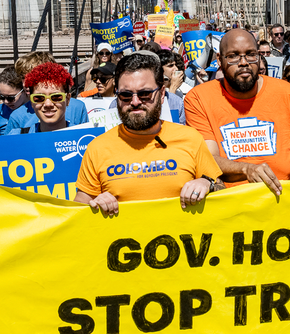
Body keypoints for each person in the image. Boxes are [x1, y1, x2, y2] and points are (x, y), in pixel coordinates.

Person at [74, 53, 224, 215]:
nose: (135, 101)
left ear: (161, 94)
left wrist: (207, 183)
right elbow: (78, 211)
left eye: (145, 94)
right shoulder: (97, 148)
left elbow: (222, 191)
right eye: (125, 95)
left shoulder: (190, 139)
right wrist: (94, 203)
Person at [184, 29, 290, 195]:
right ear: (220, 60)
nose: (243, 62)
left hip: (282, 205)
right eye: (233, 56)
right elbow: (208, 159)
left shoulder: (286, 92)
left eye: (250, 54)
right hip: (231, 207)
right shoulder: (198, 98)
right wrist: (246, 169)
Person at [8, 51, 89, 131]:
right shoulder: (17, 117)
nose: (26, 83)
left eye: (34, 77)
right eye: (23, 78)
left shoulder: (78, 107)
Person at [15, 63, 77, 134]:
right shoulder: (15, 138)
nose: (48, 104)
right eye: (39, 98)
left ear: (68, 99)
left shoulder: (83, 136)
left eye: (56, 97)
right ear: (31, 102)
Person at [0, 67, 28, 137]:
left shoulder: (38, 111)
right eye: (1, 97)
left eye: (11, 98)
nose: (6, 101)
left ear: (24, 90)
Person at [157, 50, 188, 123]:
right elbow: (167, 117)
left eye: (175, 65)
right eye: (170, 66)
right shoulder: (154, 91)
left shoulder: (185, 89)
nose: (176, 69)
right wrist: (173, 88)